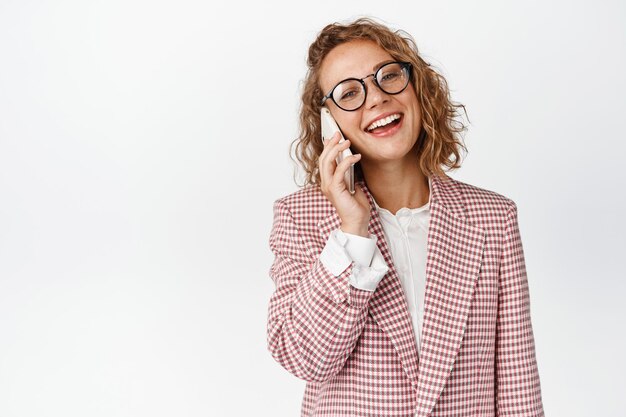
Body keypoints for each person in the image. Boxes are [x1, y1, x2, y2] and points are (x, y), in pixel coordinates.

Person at [266, 17, 544, 417]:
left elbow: (517, 380)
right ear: (329, 122)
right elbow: (305, 358)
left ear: (418, 88)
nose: (376, 98)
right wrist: (352, 231)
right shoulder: (300, 217)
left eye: (388, 76)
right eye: (349, 93)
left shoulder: (493, 218)